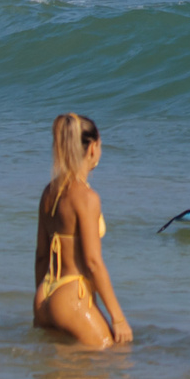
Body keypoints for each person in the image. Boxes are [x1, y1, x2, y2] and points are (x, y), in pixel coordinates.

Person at [32, 112, 132, 349]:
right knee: (113, 355)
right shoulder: (86, 198)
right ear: (92, 149)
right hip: (71, 297)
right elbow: (92, 262)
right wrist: (118, 318)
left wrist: (42, 305)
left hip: (44, 294)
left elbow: (41, 255)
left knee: (64, 377)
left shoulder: (49, 192)